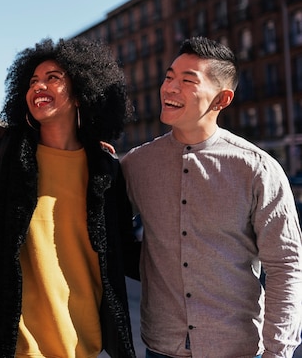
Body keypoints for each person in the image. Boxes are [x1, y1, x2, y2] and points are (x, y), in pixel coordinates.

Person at [121, 36, 302, 357]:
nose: (170, 88)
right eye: (168, 77)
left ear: (222, 98)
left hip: (238, 348)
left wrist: (279, 351)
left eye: (187, 81)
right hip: (161, 347)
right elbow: (99, 224)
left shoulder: (257, 168)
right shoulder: (137, 164)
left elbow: (286, 265)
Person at [0, 38, 140, 357]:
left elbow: (124, 250)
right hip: (17, 344)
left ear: (81, 94)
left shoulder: (105, 169)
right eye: (33, 80)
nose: (39, 86)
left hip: (84, 343)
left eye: (53, 78)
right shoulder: (4, 157)